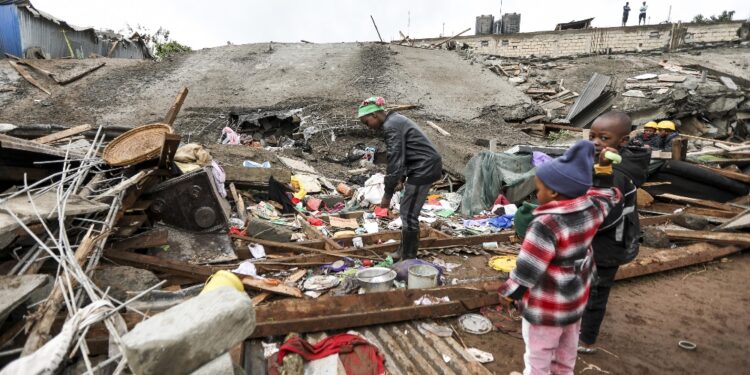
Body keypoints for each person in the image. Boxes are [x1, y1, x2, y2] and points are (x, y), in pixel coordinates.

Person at [498, 140, 622, 375]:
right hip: (574, 302)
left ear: (554, 192)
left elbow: (528, 267)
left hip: (546, 306)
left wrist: (510, 292)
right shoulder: (591, 209)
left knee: (538, 357)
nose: (537, 194)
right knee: (566, 355)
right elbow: (606, 195)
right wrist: (604, 169)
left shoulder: (546, 224)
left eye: (539, 189)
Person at [579, 111, 651, 354]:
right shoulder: (608, 165)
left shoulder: (617, 175)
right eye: (592, 136)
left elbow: (605, 216)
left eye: (604, 138)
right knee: (585, 285)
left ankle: (586, 340)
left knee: (596, 292)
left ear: (622, 142)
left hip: (609, 243)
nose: (596, 142)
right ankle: (579, 326)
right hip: (604, 240)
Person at [358, 96, 442, 260]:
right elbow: (405, 155)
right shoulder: (395, 121)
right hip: (421, 166)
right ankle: (404, 251)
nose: (368, 127)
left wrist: (387, 195)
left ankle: (408, 257)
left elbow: (395, 160)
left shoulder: (391, 126)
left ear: (375, 115)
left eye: (366, 122)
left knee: (408, 213)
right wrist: (401, 178)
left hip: (423, 168)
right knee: (407, 211)